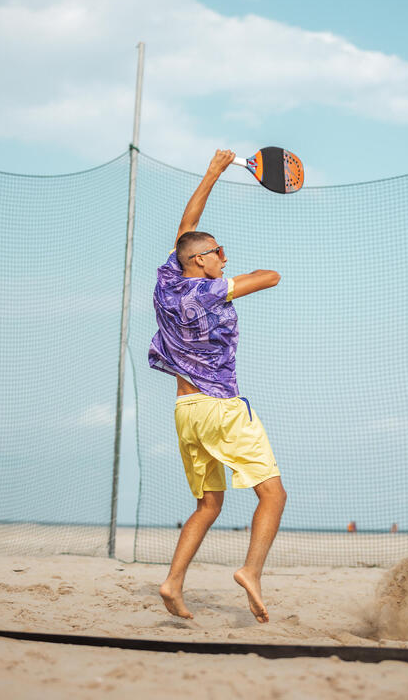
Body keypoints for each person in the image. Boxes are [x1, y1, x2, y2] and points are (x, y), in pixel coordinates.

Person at [148, 148, 287, 624]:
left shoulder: (168, 280)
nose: (224, 256)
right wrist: (232, 277)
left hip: (185, 411)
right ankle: (251, 570)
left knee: (209, 504)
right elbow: (271, 277)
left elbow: (187, 230)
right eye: (218, 251)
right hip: (220, 408)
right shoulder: (206, 288)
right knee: (273, 494)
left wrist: (212, 172)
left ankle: (172, 582)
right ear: (201, 262)